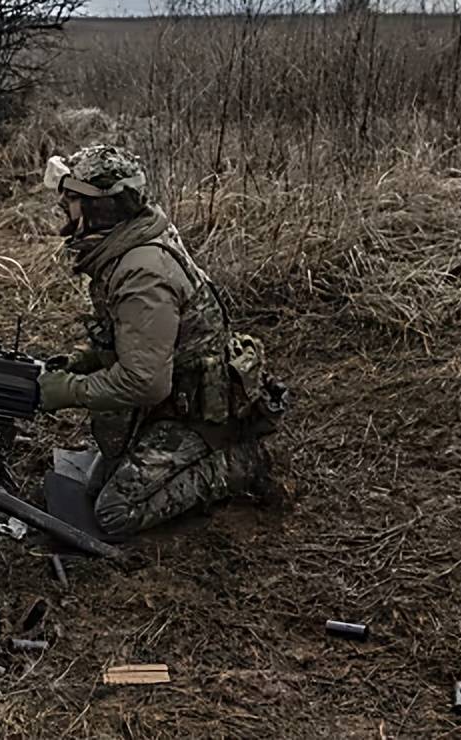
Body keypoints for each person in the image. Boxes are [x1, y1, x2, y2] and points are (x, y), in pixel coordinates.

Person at [37, 144, 286, 538]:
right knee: (97, 479)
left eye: (72, 199)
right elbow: (139, 337)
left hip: (199, 413)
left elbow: (145, 382)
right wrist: (83, 360)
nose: (64, 208)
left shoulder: (141, 272)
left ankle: (238, 462)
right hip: (177, 393)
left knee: (114, 512)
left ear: (100, 209)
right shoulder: (128, 242)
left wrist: (67, 391)